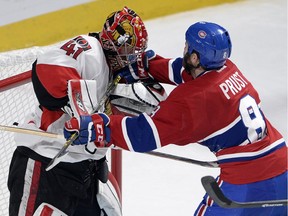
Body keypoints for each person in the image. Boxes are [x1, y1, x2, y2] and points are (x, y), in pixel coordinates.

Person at [64, 21, 288, 215]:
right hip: (283, 169)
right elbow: (184, 70)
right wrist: (149, 67)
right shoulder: (228, 68)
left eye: (188, 48)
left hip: (245, 187)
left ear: (194, 56)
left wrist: (101, 126)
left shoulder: (191, 102)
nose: (184, 50)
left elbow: (144, 134)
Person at [8, 6, 149, 216]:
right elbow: (46, 67)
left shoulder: (114, 68)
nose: (130, 58)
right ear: (113, 42)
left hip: (83, 169)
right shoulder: (89, 49)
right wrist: (76, 109)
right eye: (128, 51)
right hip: (46, 161)